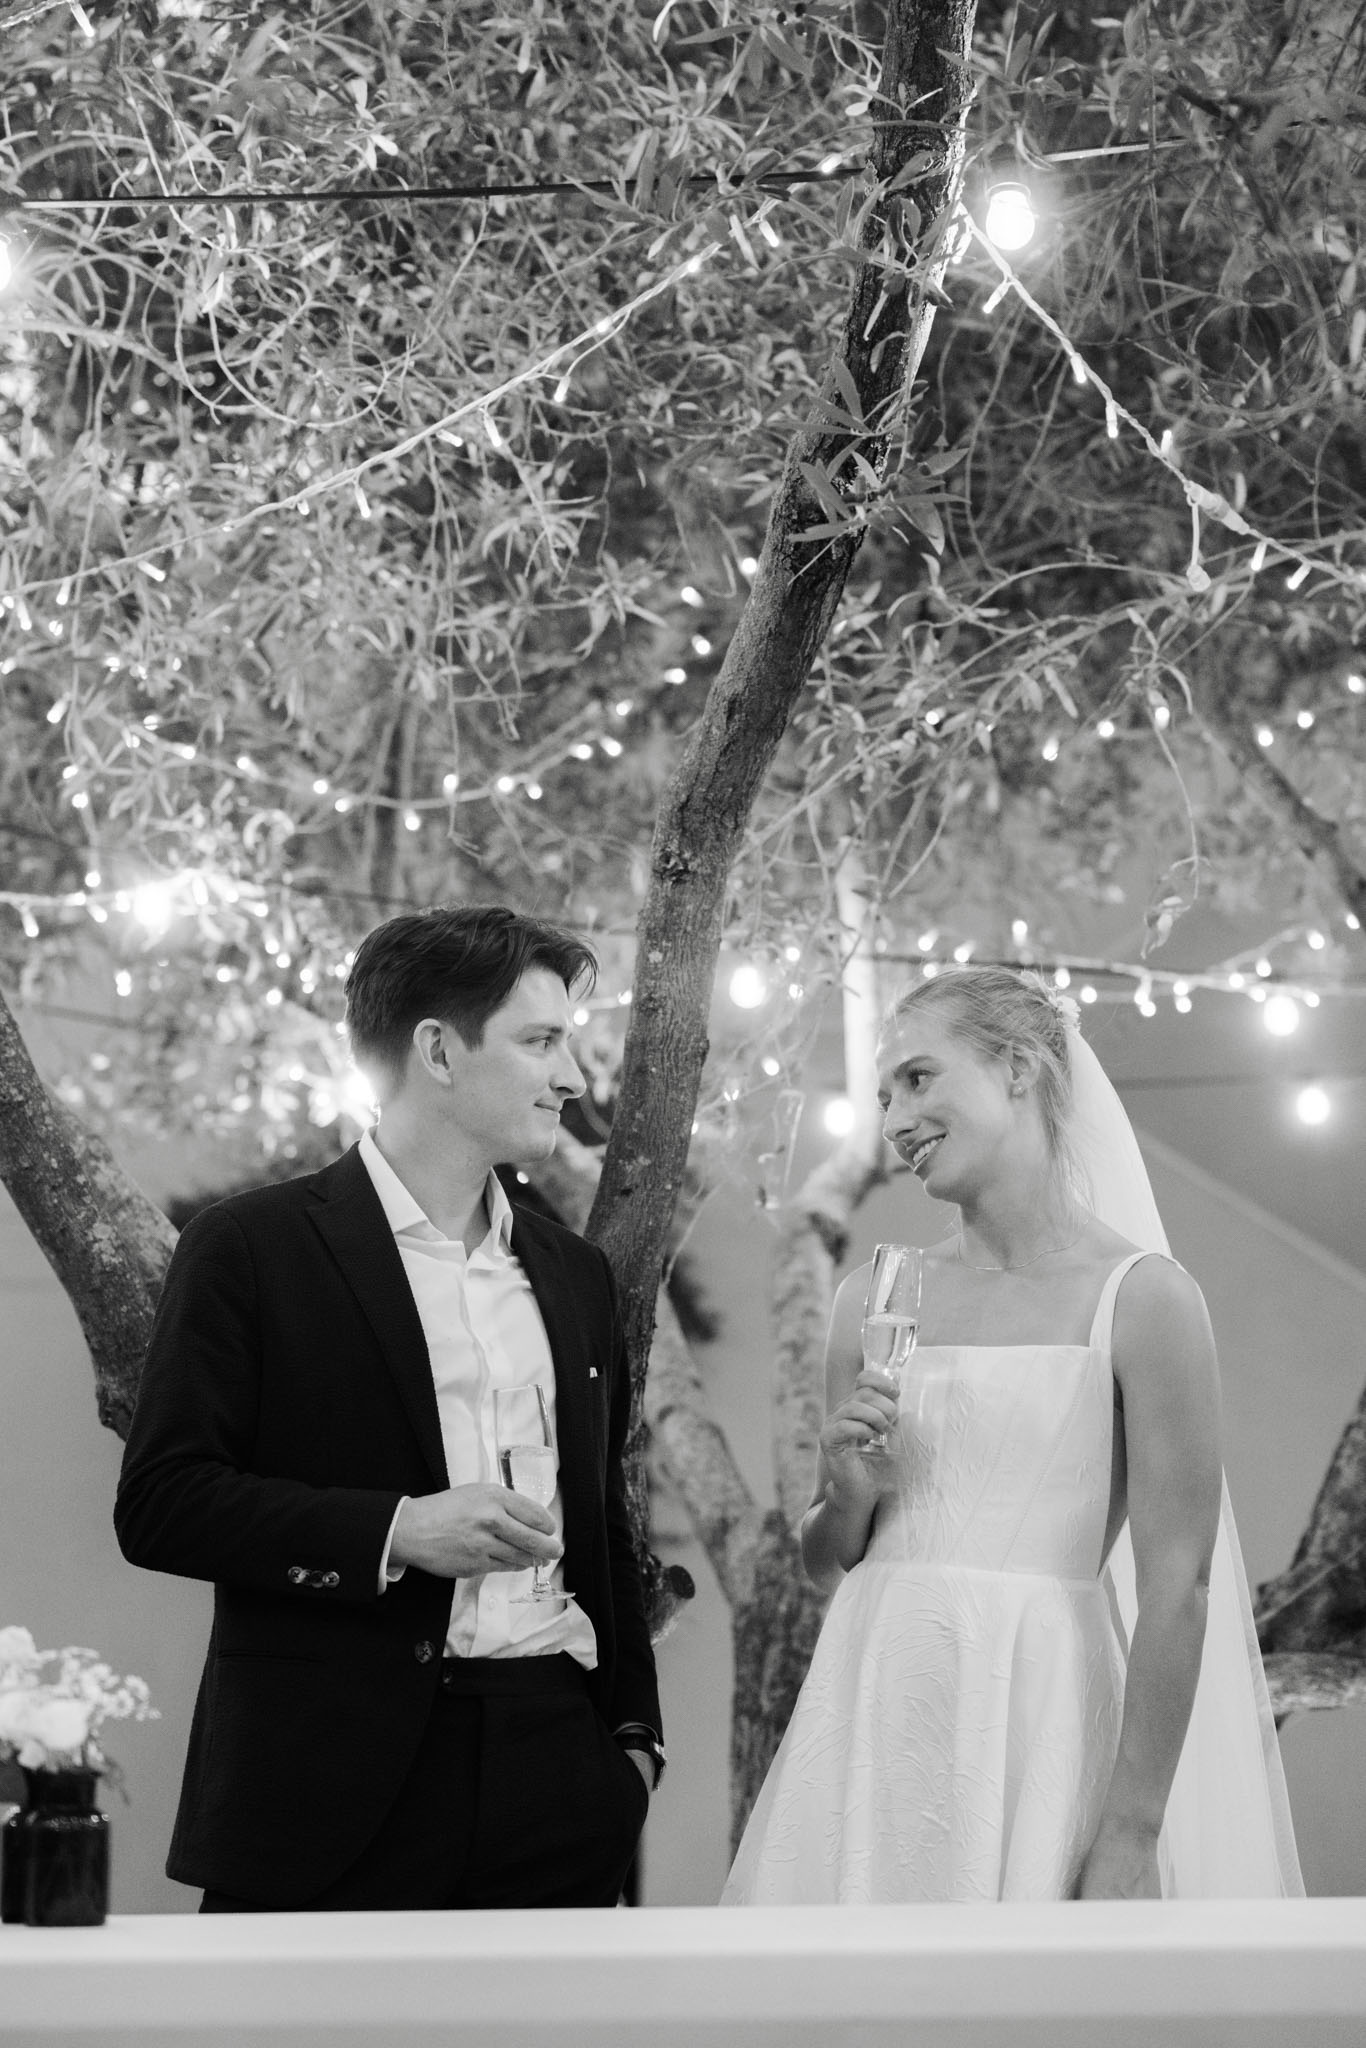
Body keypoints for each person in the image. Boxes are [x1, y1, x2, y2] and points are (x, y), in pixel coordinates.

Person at [115, 906, 663, 1911]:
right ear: (438, 1051)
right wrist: (399, 1531)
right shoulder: (251, 1247)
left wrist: (633, 1744)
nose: (573, 1078)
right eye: (541, 1041)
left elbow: (607, 1524)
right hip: (327, 1785)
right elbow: (162, 1502)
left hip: (561, 1775)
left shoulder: (576, 1275)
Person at [723, 966, 1301, 1904]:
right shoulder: (870, 1299)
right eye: (884, 1097)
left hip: (1040, 1712)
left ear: (1021, 1068)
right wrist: (849, 1491)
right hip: (872, 1704)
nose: (895, 1120)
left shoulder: (1144, 1300)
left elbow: (1180, 1586)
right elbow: (827, 1562)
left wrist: (1132, 1829)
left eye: (918, 1079)